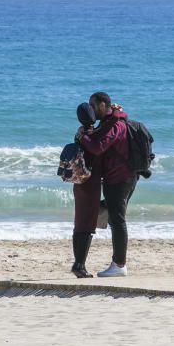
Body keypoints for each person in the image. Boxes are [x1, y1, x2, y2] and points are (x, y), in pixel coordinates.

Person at [78, 91, 136, 278]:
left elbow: (98, 147)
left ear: (104, 105)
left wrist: (83, 138)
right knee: (112, 217)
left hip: (121, 178)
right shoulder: (108, 123)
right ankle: (118, 263)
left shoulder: (116, 125)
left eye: (93, 106)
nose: (92, 110)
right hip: (115, 177)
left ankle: (119, 265)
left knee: (117, 220)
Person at [69, 102, 100, 278]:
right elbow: (98, 150)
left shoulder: (79, 132)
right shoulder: (91, 135)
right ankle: (79, 265)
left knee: (79, 223)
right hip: (91, 181)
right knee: (88, 225)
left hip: (79, 181)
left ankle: (78, 263)